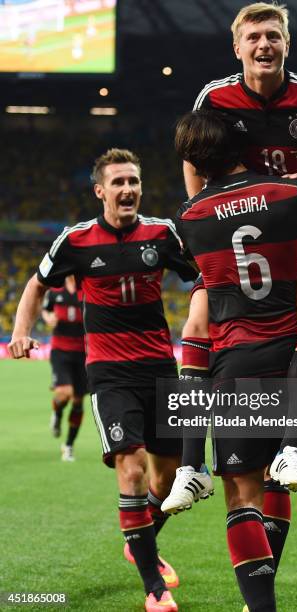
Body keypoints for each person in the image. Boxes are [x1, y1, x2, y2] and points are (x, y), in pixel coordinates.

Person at [168, 0, 297, 503]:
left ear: (287, 44)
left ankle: (291, 450)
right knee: (195, 322)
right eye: (254, 38)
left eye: (273, 36)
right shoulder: (215, 97)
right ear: (237, 48)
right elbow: (193, 154)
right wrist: (198, 211)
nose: (264, 45)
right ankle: (191, 467)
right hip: (236, 229)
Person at [170, 109, 297, 611]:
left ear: (193, 159)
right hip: (294, 354)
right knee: (277, 481)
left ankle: (260, 605)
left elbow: (205, 280)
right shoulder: (290, 193)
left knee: (242, 494)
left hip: (234, 360)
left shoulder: (190, 218)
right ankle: (290, 450)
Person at [7, 148, 198, 612]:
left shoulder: (163, 234)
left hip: (159, 368)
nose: (127, 189)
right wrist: (20, 331)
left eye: (133, 181)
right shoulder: (76, 241)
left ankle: (141, 538)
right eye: (118, 182)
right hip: (109, 373)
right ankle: (153, 587)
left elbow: (202, 279)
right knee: (130, 468)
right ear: (100, 191)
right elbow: (37, 283)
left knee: (169, 477)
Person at [42, 275, 87, 462]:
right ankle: (58, 413)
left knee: (77, 401)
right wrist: (48, 317)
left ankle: (68, 446)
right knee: (64, 393)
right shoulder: (54, 290)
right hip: (60, 350)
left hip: (84, 352)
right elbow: (45, 309)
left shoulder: (87, 289)